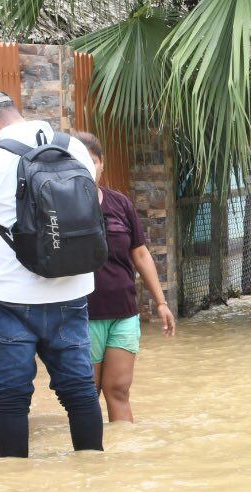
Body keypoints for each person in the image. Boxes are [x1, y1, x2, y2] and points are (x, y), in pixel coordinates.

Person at [0, 87, 104, 458]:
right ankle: (93, 477)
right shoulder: (73, 147)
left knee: (10, 398)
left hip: (9, 298)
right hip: (70, 292)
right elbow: (91, 208)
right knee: (80, 391)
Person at [73, 132, 176, 423]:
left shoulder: (120, 204)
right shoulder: (62, 208)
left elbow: (141, 254)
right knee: (86, 392)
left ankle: (124, 459)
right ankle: (90, 459)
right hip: (83, 315)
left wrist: (161, 302)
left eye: (91, 161)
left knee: (118, 389)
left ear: (101, 164)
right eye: (79, 162)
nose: (86, 168)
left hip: (124, 313)